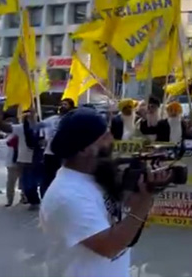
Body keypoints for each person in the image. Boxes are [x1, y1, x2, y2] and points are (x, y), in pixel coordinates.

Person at [40, 107, 170, 277]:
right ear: (83, 149)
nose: (112, 140)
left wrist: (144, 188)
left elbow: (118, 212)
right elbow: (110, 246)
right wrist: (146, 200)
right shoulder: (67, 195)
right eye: (104, 136)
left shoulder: (95, 174)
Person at [41, 99, 76, 197]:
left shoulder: (73, 120)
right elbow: (38, 127)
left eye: (65, 104)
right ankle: (45, 198)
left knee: (62, 177)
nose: (62, 106)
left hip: (65, 154)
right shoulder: (51, 120)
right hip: (49, 153)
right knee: (47, 178)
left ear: (71, 107)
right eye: (61, 104)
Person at [5, 133, 21, 207]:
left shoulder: (12, 134)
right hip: (15, 161)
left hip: (18, 161)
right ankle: (10, 199)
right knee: (12, 181)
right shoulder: (13, 135)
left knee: (11, 182)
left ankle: (10, 199)